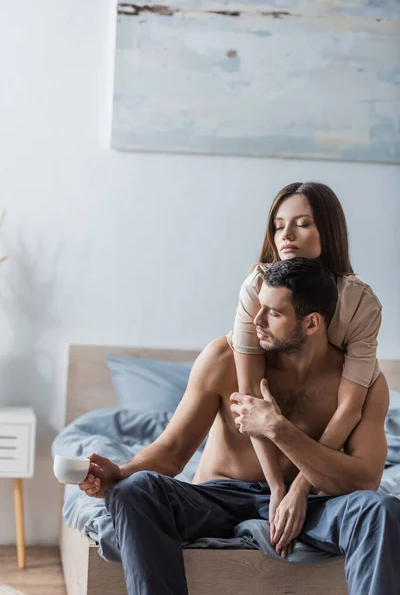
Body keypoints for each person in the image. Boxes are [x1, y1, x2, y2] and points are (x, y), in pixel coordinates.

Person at [79, 258, 399, 595]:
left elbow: (365, 480)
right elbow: (172, 452)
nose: (256, 320)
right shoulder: (222, 360)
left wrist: (280, 429)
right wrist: (121, 473)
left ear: (311, 324)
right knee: (134, 490)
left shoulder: (360, 385)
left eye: (273, 313)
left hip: (314, 506)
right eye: (259, 307)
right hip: (221, 497)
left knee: (382, 510)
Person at [231, 182, 383, 552]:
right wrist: (277, 489)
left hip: (325, 434)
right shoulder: (257, 287)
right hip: (267, 433)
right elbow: (251, 398)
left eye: (302, 224)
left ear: (327, 232)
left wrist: (302, 486)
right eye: (279, 225)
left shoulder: (360, 303)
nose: (286, 235)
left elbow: (350, 406)